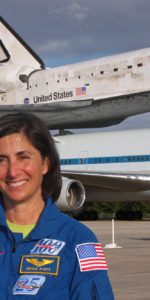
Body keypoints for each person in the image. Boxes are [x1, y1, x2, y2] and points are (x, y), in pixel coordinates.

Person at [0, 112, 114, 299]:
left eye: (23, 157)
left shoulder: (80, 240)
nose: (12, 172)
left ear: (45, 164)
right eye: (1, 160)